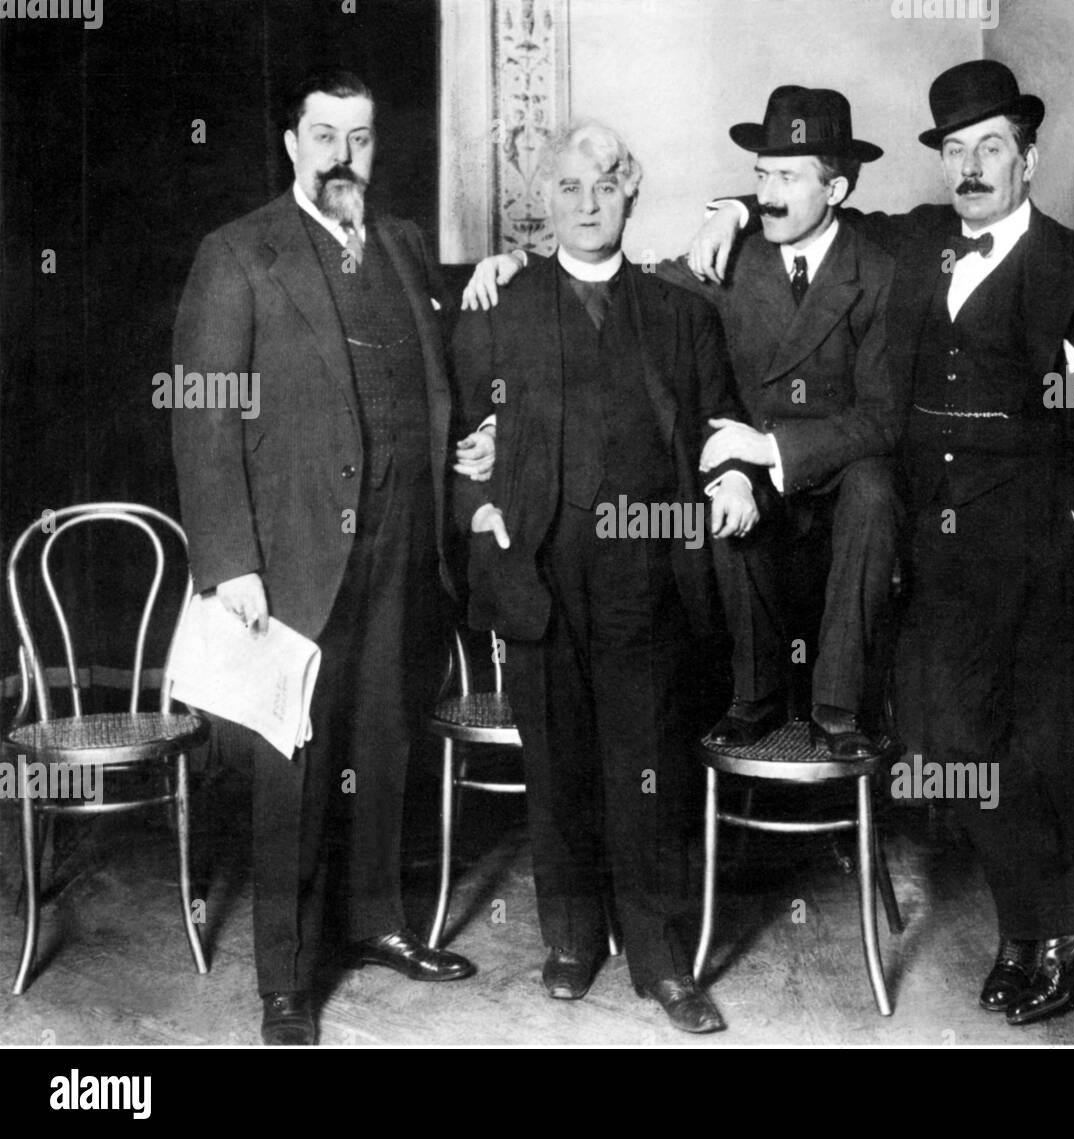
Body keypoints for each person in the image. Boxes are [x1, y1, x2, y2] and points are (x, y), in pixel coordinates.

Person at [688, 60, 1074, 1025]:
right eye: (954, 149)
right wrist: (729, 208)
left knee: (1040, 747)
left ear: (1029, 158)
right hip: (937, 544)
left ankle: (1058, 933)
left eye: (990, 146)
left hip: (1041, 546)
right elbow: (810, 201)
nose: (970, 166)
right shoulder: (915, 245)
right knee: (956, 744)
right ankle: (1043, 925)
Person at [171, 69, 482, 1045]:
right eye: (324, 134)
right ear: (292, 143)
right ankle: (287, 976)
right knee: (293, 765)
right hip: (290, 554)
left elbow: (437, 381)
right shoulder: (240, 252)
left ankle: (378, 918)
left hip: (403, 541)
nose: (344, 153)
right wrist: (230, 559)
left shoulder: (398, 245)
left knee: (384, 736)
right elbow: (203, 409)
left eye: (361, 135)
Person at [465, 86, 903, 762]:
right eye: (760, 177)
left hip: (841, 488)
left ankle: (837, 709)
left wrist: (773, 444)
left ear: (837, 187)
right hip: (755, 489)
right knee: (717, 487)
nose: (768, 194)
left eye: (787, 177)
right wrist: (523, 263)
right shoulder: (726, 257)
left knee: (873, 485)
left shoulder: (880, 272)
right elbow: (620, 278)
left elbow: (881, 417)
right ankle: (752, 700)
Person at [451, 119, 762, 1033]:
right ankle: (571, 938)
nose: (589, 205)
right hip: (541, 564)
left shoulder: (681, 314)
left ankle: (662, 956)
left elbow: (720, 427)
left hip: (649, 568)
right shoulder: (498, 308)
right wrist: (478, 512)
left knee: (649, 762)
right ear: (545, 202)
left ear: (632, 193)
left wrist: (737, 471)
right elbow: (461, 444)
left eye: (607, 186)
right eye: (571, 189)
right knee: (558, 757)